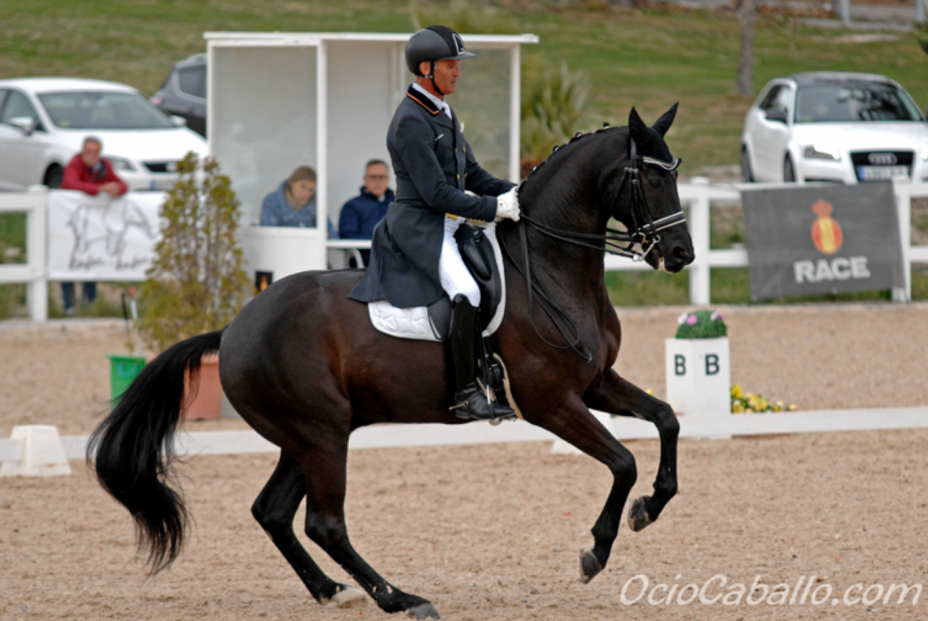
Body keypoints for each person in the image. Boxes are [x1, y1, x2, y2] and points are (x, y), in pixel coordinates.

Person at [349, 25, 521, 421]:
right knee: (467, 292)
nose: (458, 72)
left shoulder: (441, 111)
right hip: (421, 227)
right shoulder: (411, 120)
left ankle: (493, 372)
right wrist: (494, 208)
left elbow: (473, 175)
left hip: (451, 223)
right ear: (426, 68)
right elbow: (437, 194)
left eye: (458, 65)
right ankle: (466, 394)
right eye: (450, 65)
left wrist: (523, 192)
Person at [59, 136, 128, 316]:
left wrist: (116, 189)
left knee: (91, 260)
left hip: (92, 225)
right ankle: (69, 304)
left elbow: (123, 184)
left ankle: (89, 304)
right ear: (82, 152)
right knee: (67, 261)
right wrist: (100, 189)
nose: (92, 156)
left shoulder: (104, 166)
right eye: (88, 152)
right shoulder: (74, 164)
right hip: (70, 224)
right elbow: (72, 183)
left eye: (95, 152)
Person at [338, 159, 395, 266]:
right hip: (365, 263)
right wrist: (381, 241)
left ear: (388, 179)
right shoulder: (351, 206)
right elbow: (348, 236)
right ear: (365, 179)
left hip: (397, 262)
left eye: (381, 177)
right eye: (373, 177)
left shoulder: (397, 205)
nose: (377, 181)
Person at [260, 165, 337, 237]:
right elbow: (268, 234)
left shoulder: (316, 203)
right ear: (292, 183)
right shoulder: (272, 201)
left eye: (310, 189)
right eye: (303, 187)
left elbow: (330, 230)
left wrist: (327, 235)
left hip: (310, 246)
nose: (306, 193)